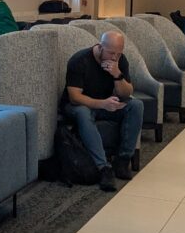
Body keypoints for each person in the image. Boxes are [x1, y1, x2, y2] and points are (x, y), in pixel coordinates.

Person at [62, 31, 144, 191]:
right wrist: (103, 104)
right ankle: (103, 168)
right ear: (100, 47)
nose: (115, 58)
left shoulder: (120, 61)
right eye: (111, 53)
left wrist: (117, 75)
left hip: (104, 103)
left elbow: (126, 93)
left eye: (119, 54)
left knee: (136, 105)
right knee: (83, 113)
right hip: (80, 105)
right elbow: (74, 97)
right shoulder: (80, 60)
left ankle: (123, 159)